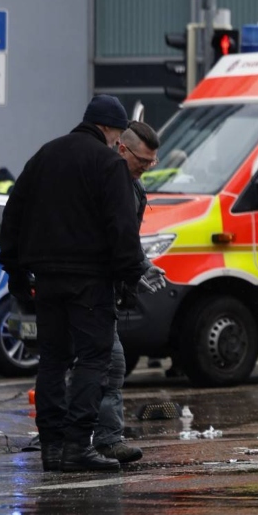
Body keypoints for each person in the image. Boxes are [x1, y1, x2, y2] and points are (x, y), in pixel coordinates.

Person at [0, 95, 147, 473]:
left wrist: (14, 270)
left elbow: (13, 213)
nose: (117, 142)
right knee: (94, 358)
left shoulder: (44, 156)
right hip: (90, 280)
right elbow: (121, 227)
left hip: (46, 279)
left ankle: (52, 447)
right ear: (111, 130)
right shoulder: (108, 163)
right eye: (118, 135)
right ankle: (78, 445)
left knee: (52, 359)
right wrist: (129, 277)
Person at [94, 121, 162, 464]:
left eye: (152, 162)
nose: (147, 168)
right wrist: (138, 267)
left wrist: (142, 266)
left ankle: (81, 437)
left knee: (94, 365)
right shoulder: (105, 181)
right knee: (109, 363)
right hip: (89, 288)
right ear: (122, 148)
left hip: (102, 288)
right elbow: (112, 239)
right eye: (143, 161)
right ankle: (103, 439)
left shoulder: (134, 189)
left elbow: (127, 242)